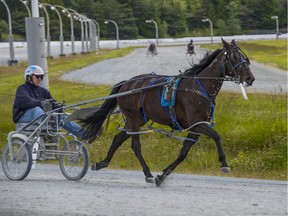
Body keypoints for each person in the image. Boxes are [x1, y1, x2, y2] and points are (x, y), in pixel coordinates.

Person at [12, 65, 85, 139]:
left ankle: (85, 134)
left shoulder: (44, 91)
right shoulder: (22, 89)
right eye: (37, 76)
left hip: (41, 117)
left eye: (41, 77)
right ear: (29, 77)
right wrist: (41, 103)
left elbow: (53, 104)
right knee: (37, 110)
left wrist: (60, 108)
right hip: (23, 117)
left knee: (61, 116)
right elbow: (26, 101)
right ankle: (45, 130)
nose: (40, 79)